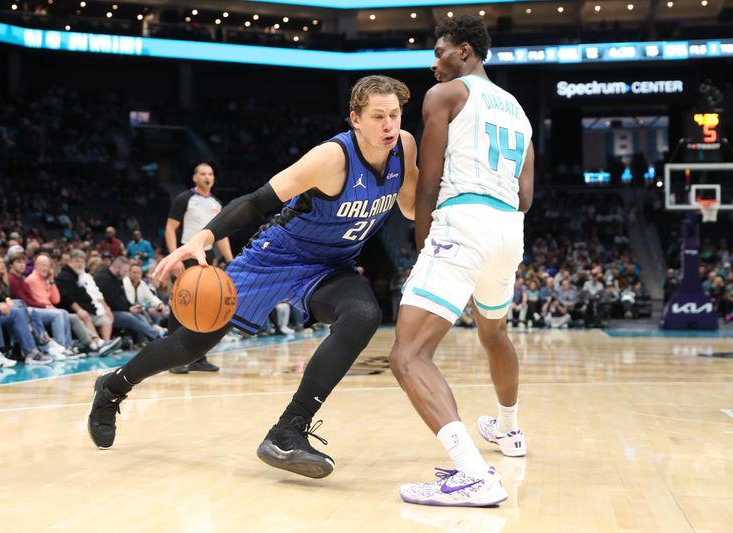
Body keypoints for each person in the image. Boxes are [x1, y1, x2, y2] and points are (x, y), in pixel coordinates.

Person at [87, 75, 418, 480]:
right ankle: (114, 385)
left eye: (395, 115)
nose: (388, 125)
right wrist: (203, 239)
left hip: (332, 267)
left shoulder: (404, 147)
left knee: (363, 314)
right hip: (276, 256)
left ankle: (287, 431)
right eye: (378, 116)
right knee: (192, 343)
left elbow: (411, 206)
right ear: (355, 119)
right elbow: (257, 200)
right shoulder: (330, 159)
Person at [387, 14, 534, 507]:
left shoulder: (446, 95)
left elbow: (429, 177)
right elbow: (526, 196)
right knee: (494, 333)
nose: (435, 63)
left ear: (466, 51)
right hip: (508, 231)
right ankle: (510, 431)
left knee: (407, 354)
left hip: (462, 222)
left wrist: (424, 236)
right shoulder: (519, 112)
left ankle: (473, 474)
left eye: (441, 52)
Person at [166, 163, 234, 373]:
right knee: (181, 306)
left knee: (206, 307)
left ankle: (198, 357)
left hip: (208, 258)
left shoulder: (216, 203)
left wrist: (231, 260)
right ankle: (172, 359)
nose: (207, 177)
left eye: (211, 174)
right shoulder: (185, 199)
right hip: (186, 256)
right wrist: (174, 257)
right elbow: (170, 228)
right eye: (203, 174)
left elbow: (220, 235)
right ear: (195, 178)